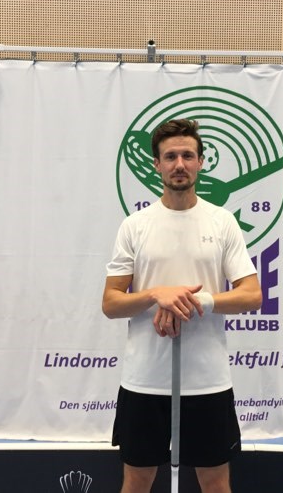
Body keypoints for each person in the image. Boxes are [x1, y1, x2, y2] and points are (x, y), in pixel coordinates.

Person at [102, 118, 263, 493]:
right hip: (145, 378)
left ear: (201, 162)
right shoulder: (135, 225)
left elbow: (251, 294)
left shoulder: (222, 222)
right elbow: (111, 303)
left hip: (206, 380)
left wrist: (197, 300)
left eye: (188, 156)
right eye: (170, 156)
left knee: (215, 482)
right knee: (137, 480)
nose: (179, 164)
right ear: (156, 165)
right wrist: (156, 294)